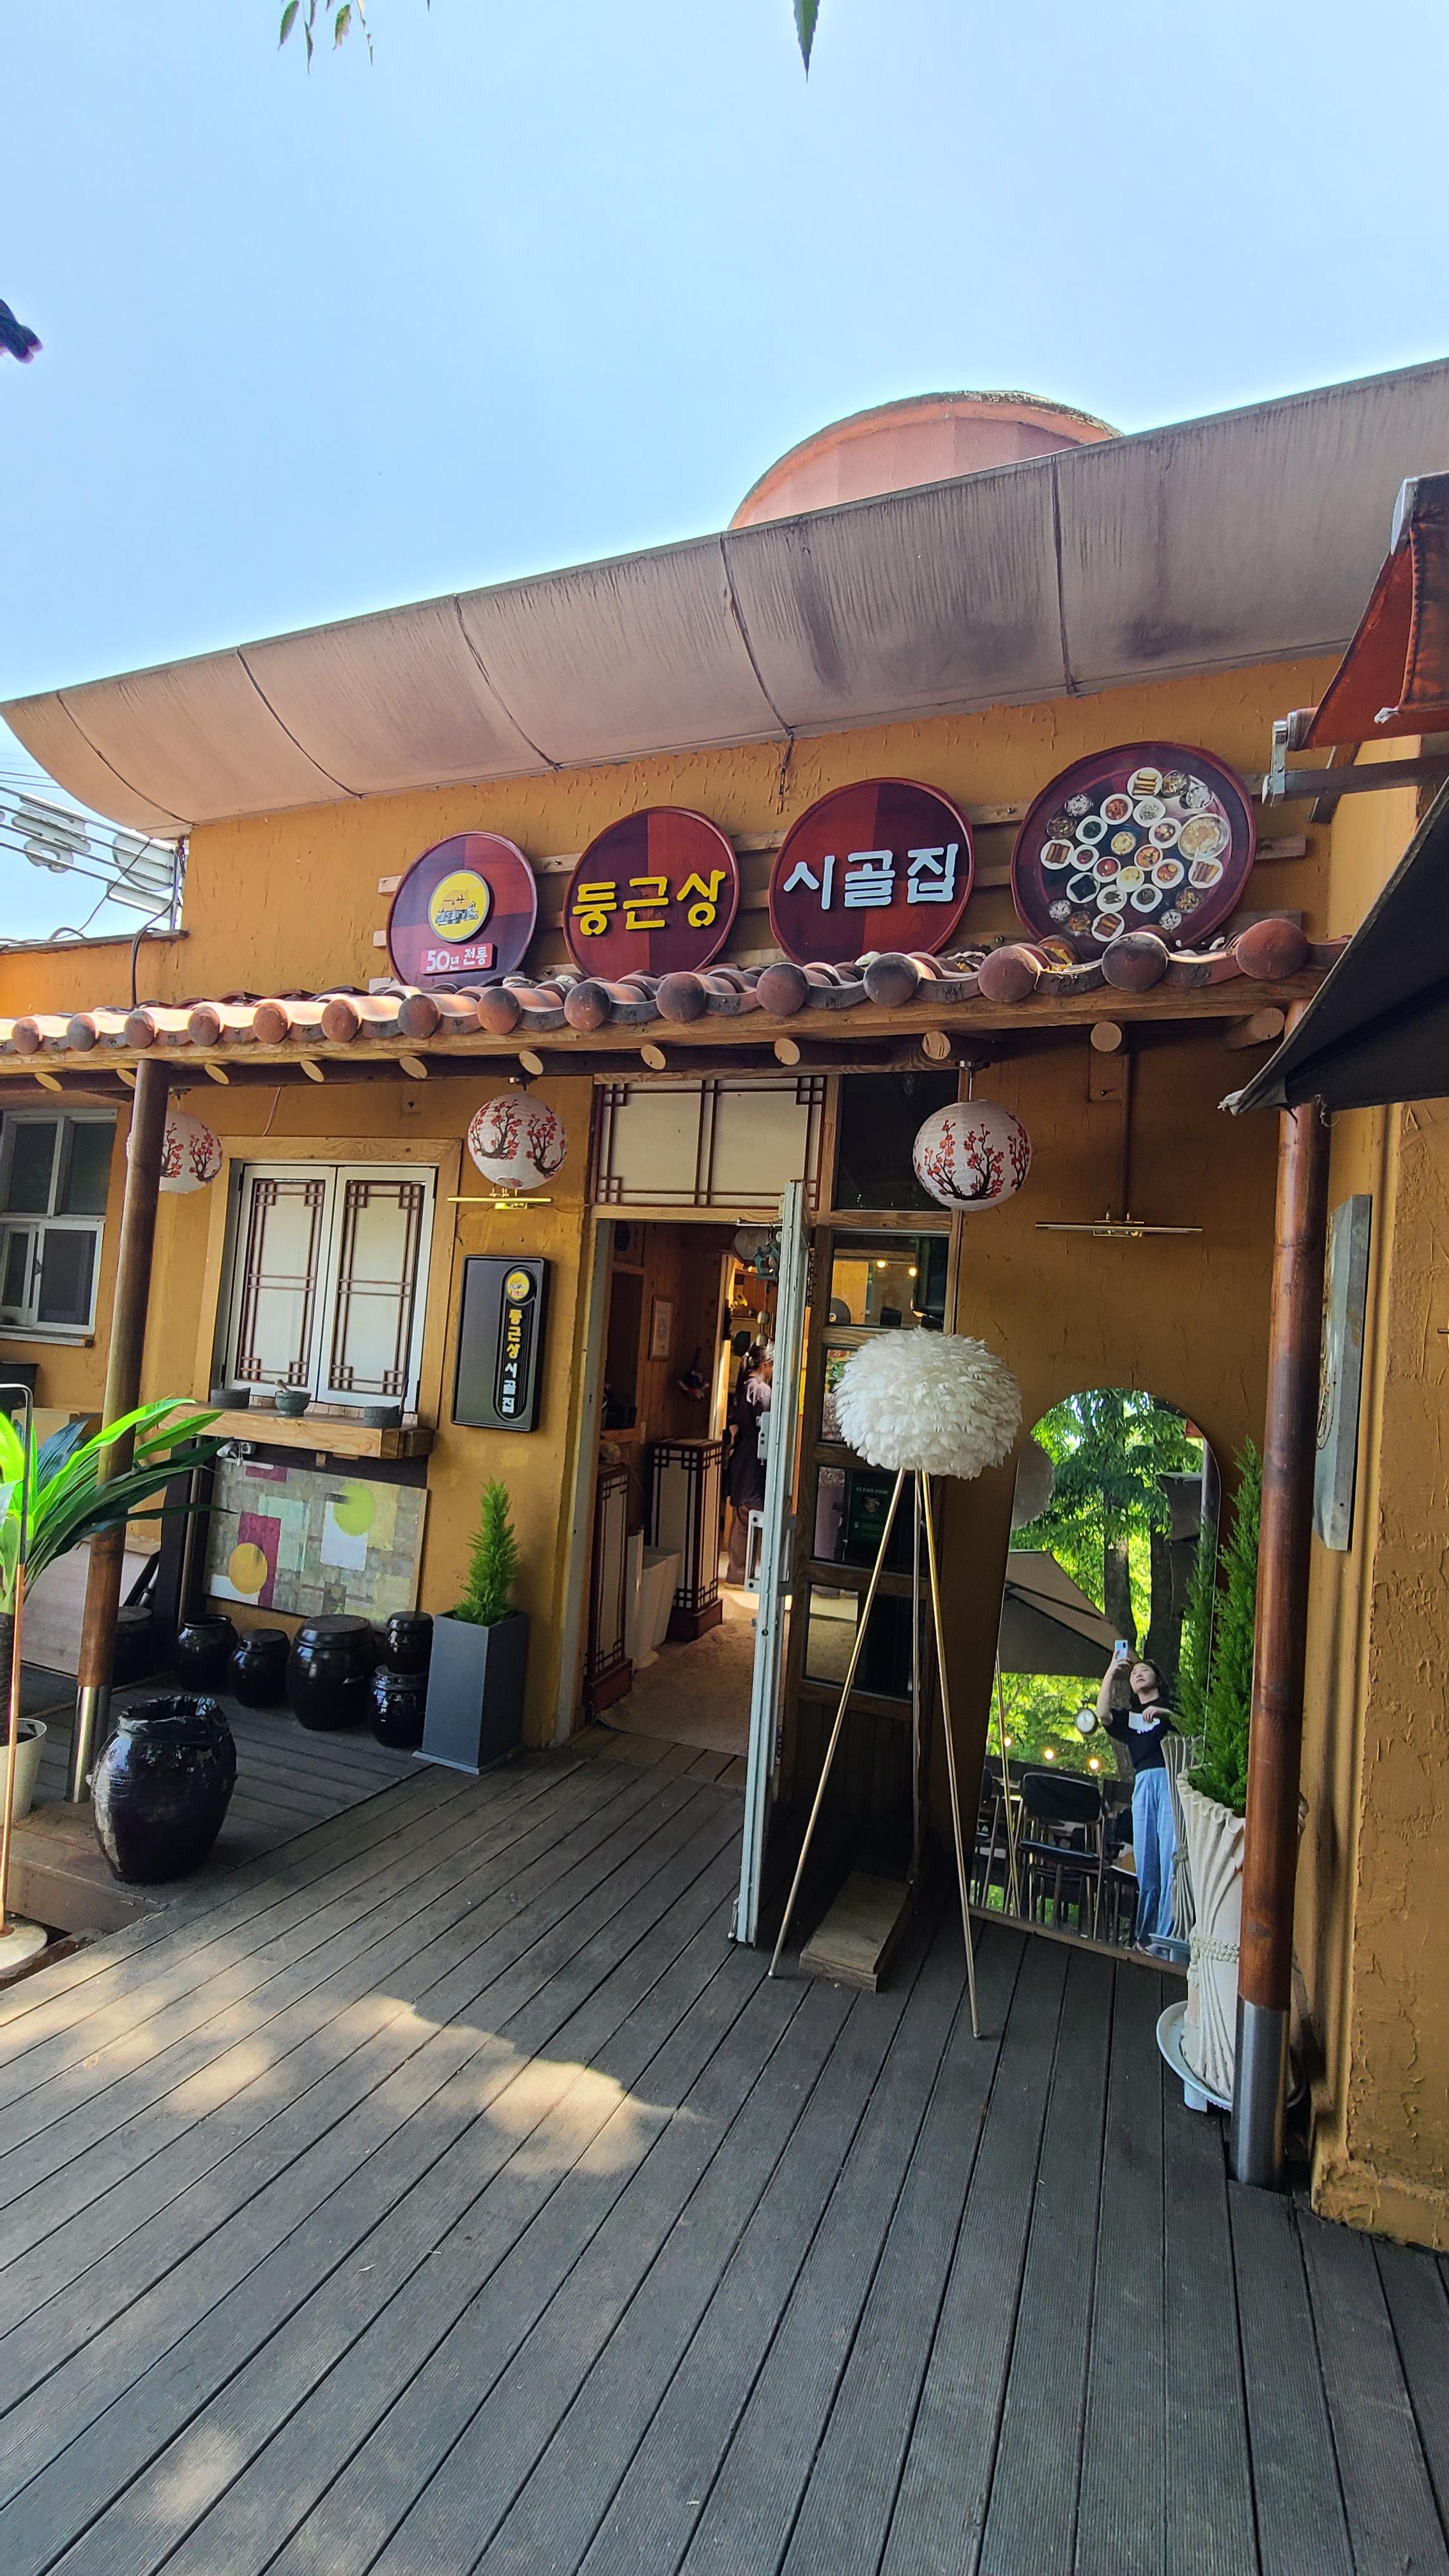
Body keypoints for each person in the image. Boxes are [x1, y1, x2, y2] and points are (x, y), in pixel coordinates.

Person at [1094, 1646, 1177, 1949]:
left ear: (1158, 1678)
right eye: (1133, 1673)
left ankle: (1165, 1939)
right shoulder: (1129, 1719)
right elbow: (1102, 1714)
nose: (1138, 1673)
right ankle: (1145, 1938)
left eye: (1145, 1669)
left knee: (1170, 1858)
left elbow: (1193, 1725)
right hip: (1143, 1784)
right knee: (1146, 1862)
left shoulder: (1172, 1705)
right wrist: (1111, 1672)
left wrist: (1163, 1713)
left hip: (1169, 1780)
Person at [726, 1346, 772, 1584]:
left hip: (744, 1454)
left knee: (743, 1515)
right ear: (765, 1364)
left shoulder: (745, 1387)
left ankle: (737, 1572)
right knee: (752, 1515)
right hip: (756, 1456)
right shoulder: (761, 1390)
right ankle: (746, 1573)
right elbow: (768, 1424)